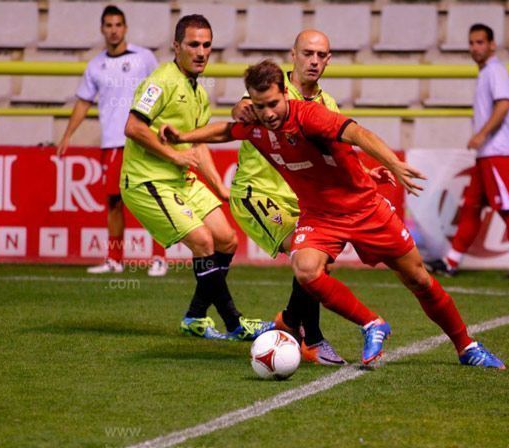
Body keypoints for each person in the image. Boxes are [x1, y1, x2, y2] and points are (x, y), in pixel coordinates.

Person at [162, 59, 506, 369]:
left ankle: (466, 346)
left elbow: (358, 133)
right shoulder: (258, 125)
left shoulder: (310, 116)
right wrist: (182, 136)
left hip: (365, 209)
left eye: (273, 104)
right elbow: (226, 130)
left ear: (286, 93)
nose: (267, 113)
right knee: (306, 269)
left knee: (418, 279)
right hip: (319, 216)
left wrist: (392, 163)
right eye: (260, 106)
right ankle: (372, 324)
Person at [225, 30, 392, 366]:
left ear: (328, 60)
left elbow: (337, 148)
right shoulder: (272, 91)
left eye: (320, 55)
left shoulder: (326, 104)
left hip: (300, 200)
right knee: (305, 254)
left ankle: (289, 320)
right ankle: (311, 338)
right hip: (258, 194)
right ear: (294, 55)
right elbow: (241, 108)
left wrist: (365, 171)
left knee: (317, 262)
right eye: (307, 54)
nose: (313, 61)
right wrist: (239, 107)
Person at [121, 15, 273, 340]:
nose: (201, 51)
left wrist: (219, 186)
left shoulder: (199, 91)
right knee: (203, 241)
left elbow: (197, 143)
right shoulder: (162, 81)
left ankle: (194, 317)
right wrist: (175, 155)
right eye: (193, 44)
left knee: (226, 239)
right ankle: (234, 322)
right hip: (148, 180)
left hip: (179, 178)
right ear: (176, 46)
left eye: (206, 45)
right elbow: (133, 127)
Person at [57, 5, 168, 277]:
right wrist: (68, 135)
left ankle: (159, 258)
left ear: (125, 27)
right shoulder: (96, 65)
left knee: (152, 199)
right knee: (114, 202)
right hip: (111, 143)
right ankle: (115, 259)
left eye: (118, 24)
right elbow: (83, 102)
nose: (113, 30)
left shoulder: (144, 58)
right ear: (102, 29)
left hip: (142, 139)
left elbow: (161, 88)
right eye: (108, 25)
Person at [426, 23, 509, 279]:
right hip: (486, 155)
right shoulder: (486, 72)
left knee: (507, 208)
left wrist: (481, 134)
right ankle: (451, 262)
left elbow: (504, 104)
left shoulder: (495, 71)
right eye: (472, 42)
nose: (475, 47)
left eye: (480, 42)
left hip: (497, 152)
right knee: (471, 208)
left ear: (492, 44)